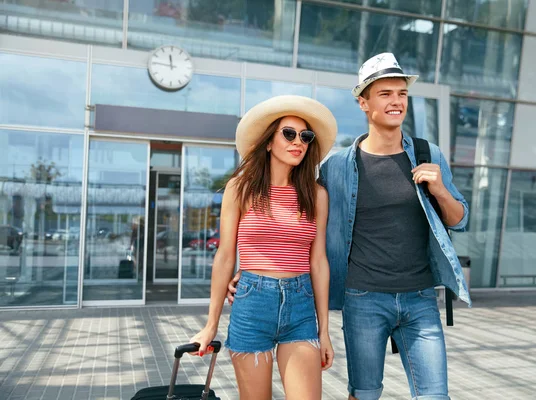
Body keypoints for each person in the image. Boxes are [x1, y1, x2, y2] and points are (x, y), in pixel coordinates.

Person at [228, 53, 471, 400]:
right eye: (385, 93)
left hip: (420, 299)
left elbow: (460, 220)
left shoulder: (426, 153)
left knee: (436, 396)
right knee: (364, 394)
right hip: (364, 299)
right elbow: (301, 228)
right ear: (363, 102)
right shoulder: (337, 167)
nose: (396, 101)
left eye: (401, 93)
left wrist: (441, 191)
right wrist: (253, 273)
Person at [190, 95, 337, 400]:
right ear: (269, 142)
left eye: (305, 136)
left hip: (300, 305)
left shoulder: (316, 195)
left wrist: (324, 331)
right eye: (289, 133)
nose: (299, 142)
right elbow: (226, 256)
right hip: (252, 303)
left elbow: (319, 262)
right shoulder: (240, 188)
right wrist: (211, 325)